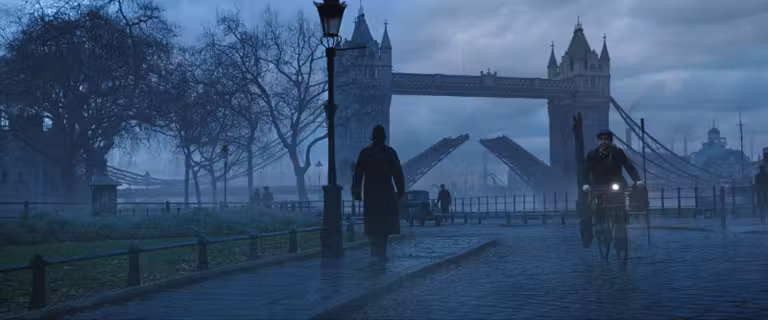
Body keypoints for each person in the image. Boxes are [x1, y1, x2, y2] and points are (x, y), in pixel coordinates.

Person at [352, 125, 405, 261]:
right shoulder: (390, 153)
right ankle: (381, 253)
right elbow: (398, 174)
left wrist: (357, 192)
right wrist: (400, 191)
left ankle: (375, 252)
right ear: (384, 138)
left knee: (373, 225)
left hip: (370, 193)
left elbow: (358, 175)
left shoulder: (365, 153)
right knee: (384, 226)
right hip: (386, 193)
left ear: (373, 137)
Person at [581, 129, 643, 247]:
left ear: (610, 141)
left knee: (620, 205)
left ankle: (622, 225)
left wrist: (637, 180)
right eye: (602, 139)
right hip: (597, 186)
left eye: (607, 139)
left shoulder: (618, 152)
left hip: (616, 184)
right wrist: (585, 184)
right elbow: (585, 171)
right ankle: (599, 227)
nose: (604, 141)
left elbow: (628, 166)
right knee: (597, 208)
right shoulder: (592, 154)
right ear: (598, 141)